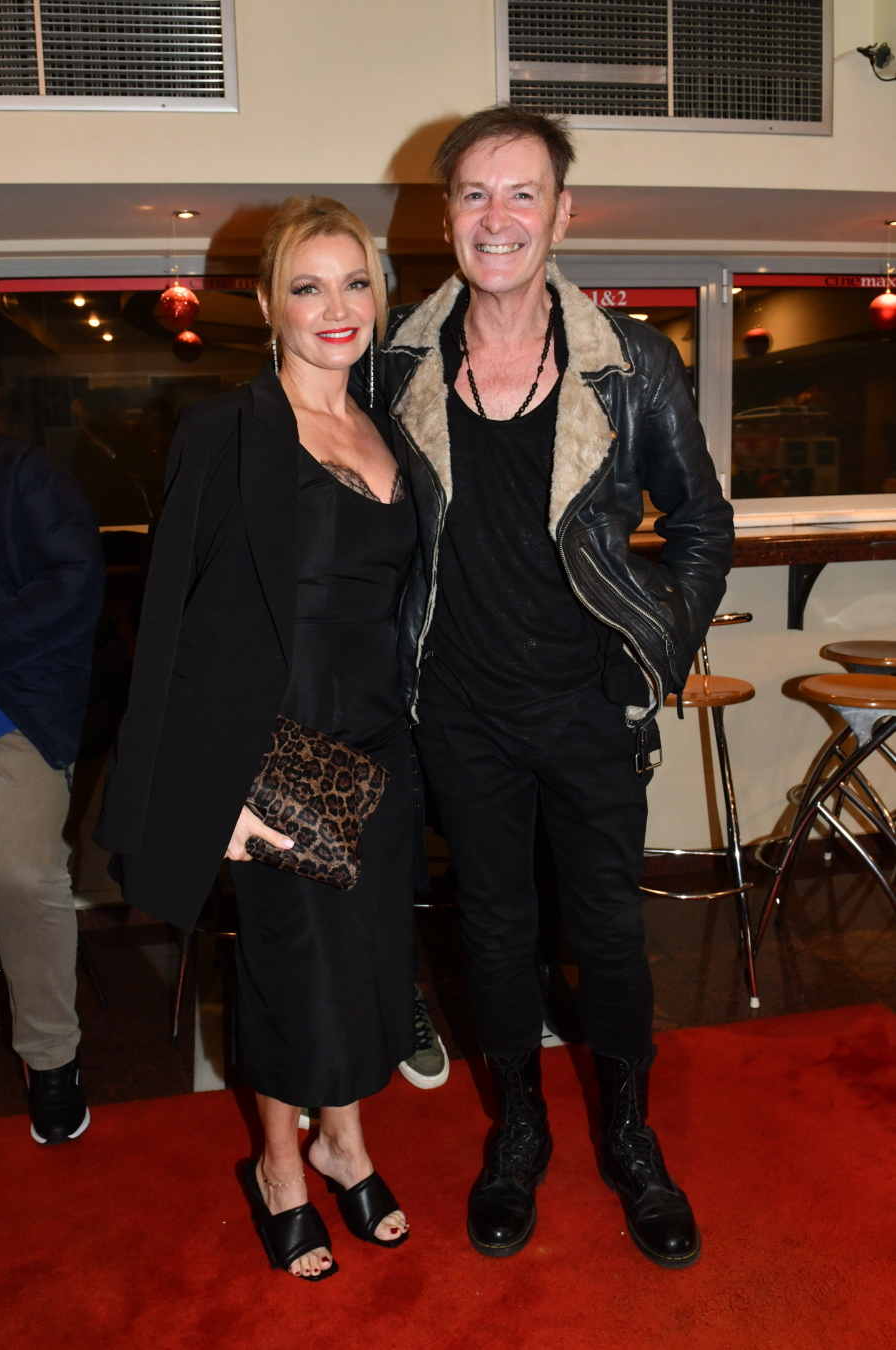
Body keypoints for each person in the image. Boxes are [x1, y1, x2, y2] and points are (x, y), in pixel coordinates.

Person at [379, 107, 734, 1267]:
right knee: (491, 934)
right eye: (475, 194)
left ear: (563, 214)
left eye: (522, 192)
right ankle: (519, 1131)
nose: (499, 217)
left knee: (610, 935)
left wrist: (656, 648)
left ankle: (631, 1137)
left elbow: (701, 521)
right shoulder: (395, 363)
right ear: (447, 216)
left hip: (587, 707)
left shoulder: (632, 365)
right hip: (459, 713)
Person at [96, 197, 425, 1282]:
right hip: (279, 747)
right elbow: (173, 622)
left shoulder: (392, 431)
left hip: (382, 742)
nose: (337, 307)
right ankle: (285, 1166)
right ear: (270, 304)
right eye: (308, 286)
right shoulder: (226, 432)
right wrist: (208, 786)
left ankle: (344, 1143)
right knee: (295, 974)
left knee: (365, 964)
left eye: (356, 282)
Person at [0, 430, 105, 1144]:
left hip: (16, 713)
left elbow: (75, 582)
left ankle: (51, 1059)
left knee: (21, 873)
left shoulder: (23, 473)